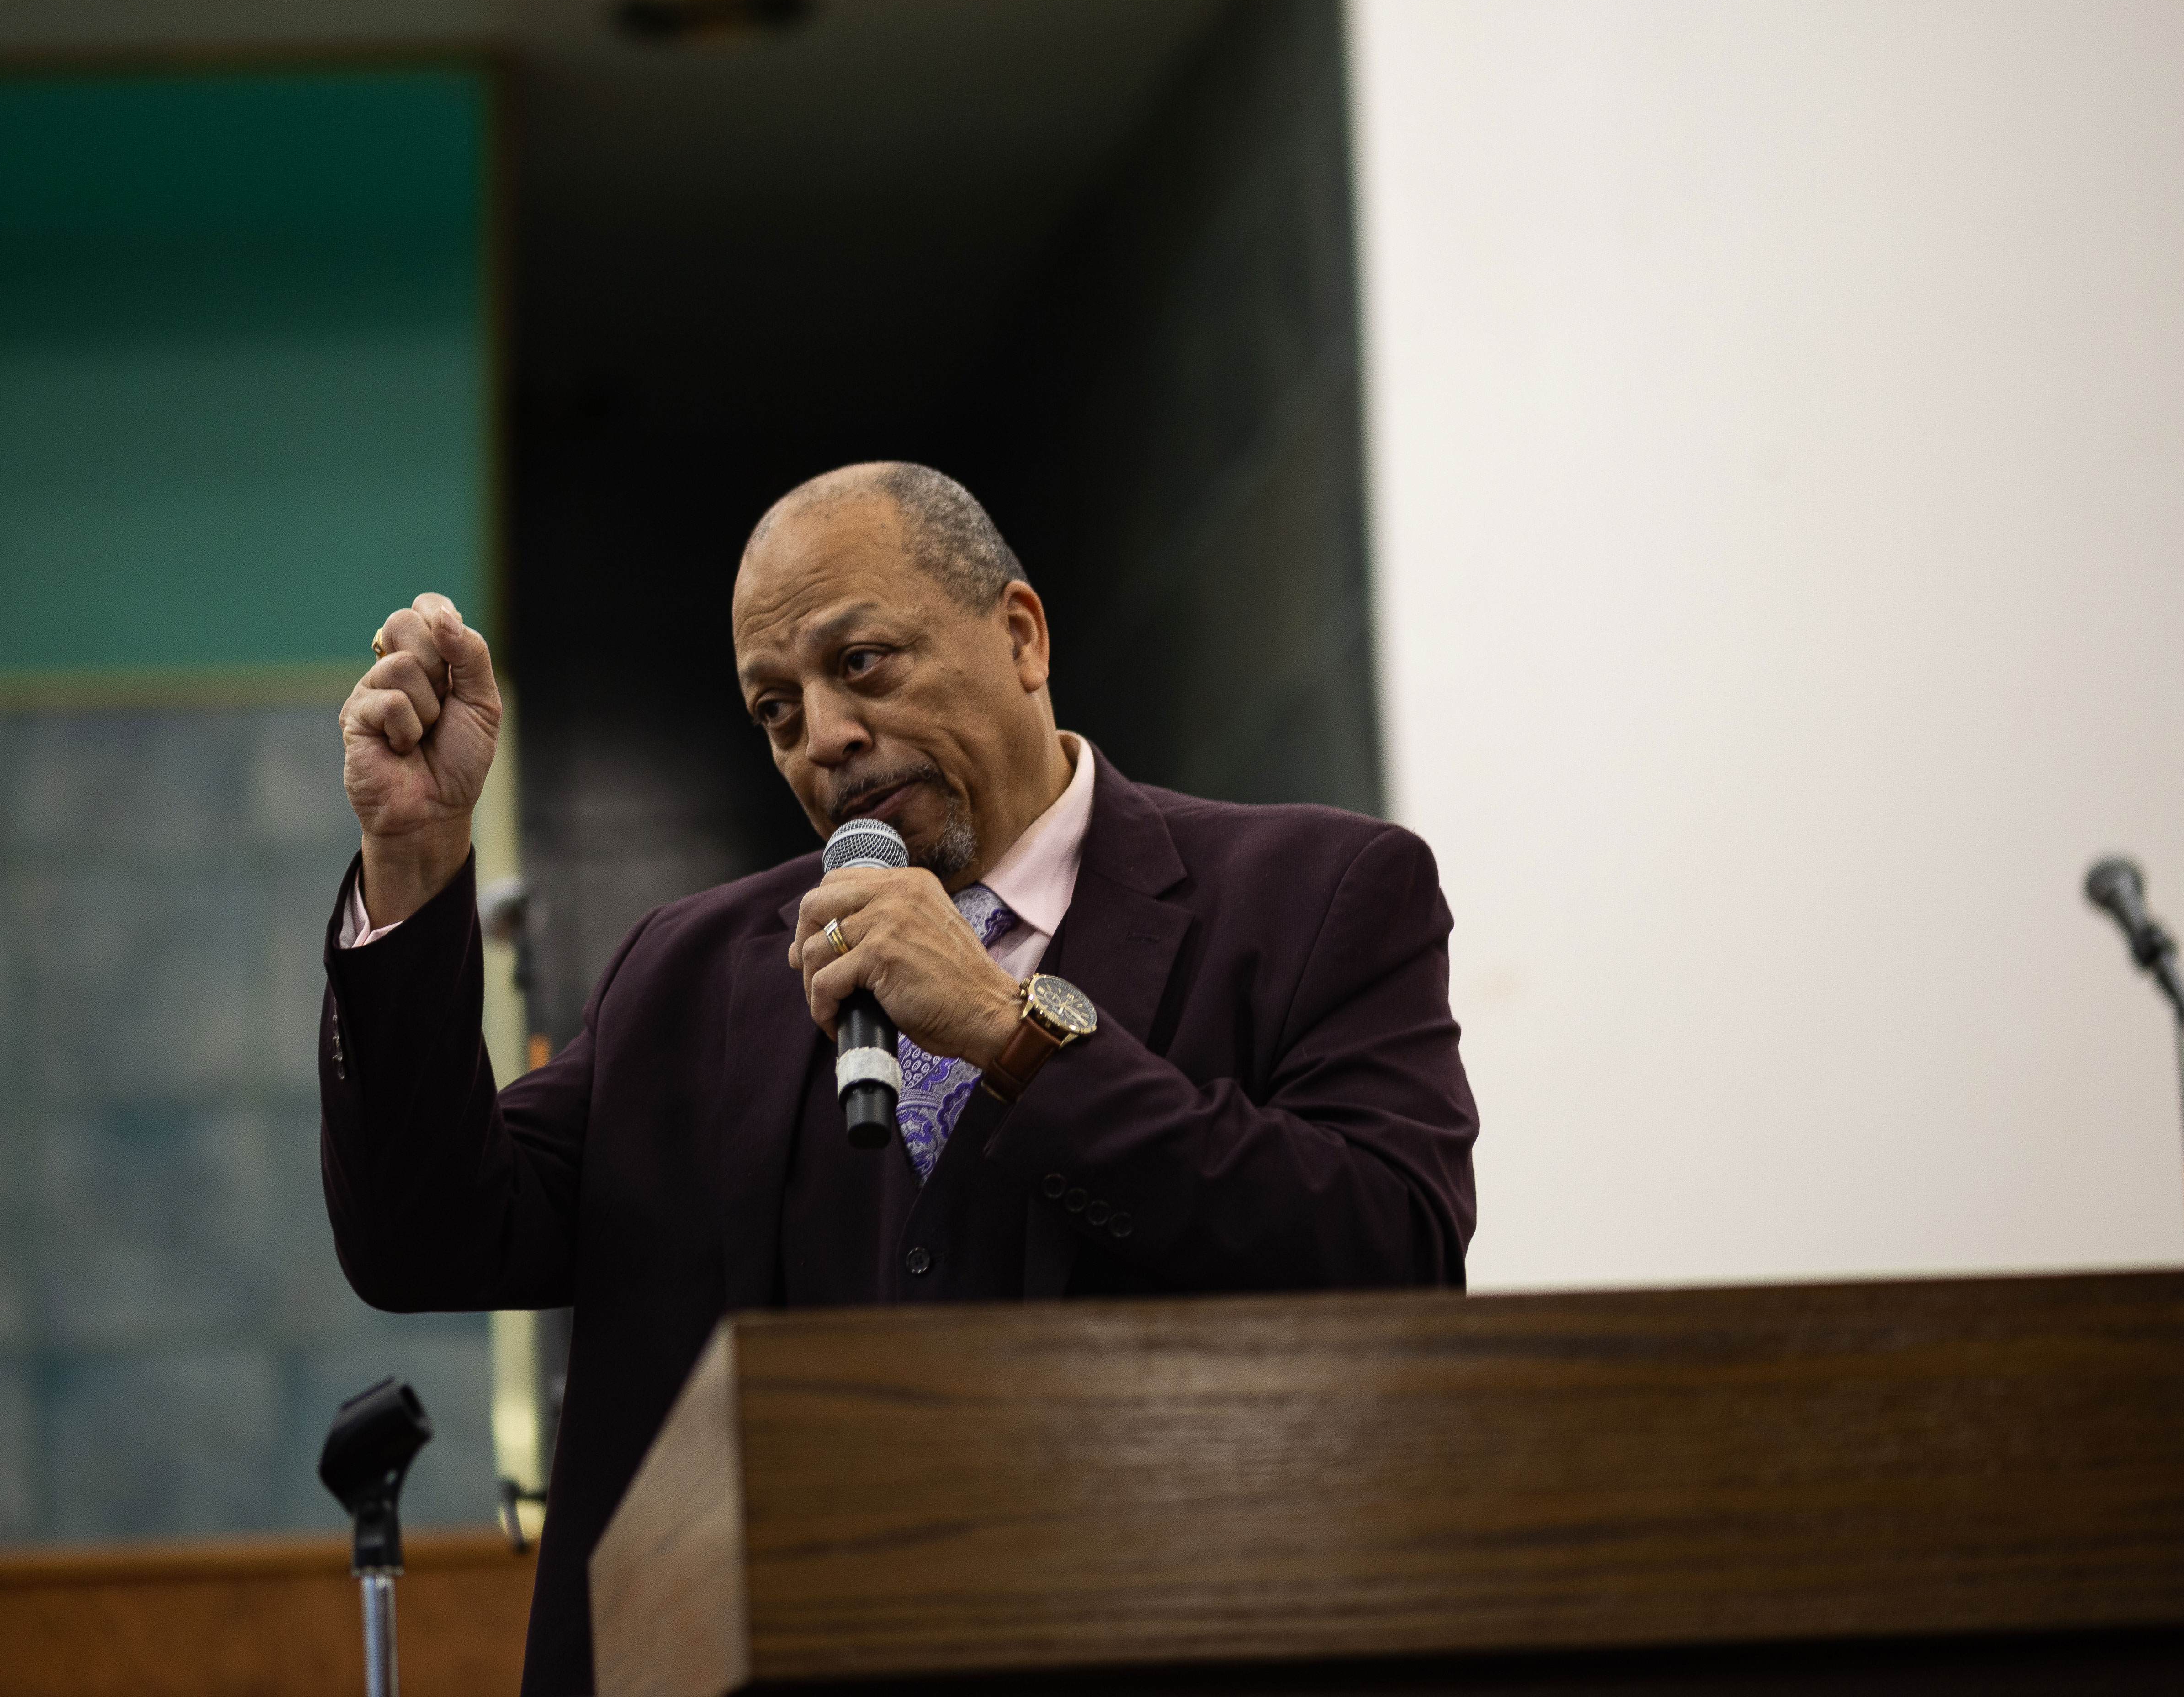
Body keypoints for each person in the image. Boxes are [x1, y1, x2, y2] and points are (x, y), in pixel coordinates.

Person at [322, 462, 1477, 1697]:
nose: (824, 737)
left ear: (1021, 638)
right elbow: (428, 1237)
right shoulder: (685, 975)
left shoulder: (1317, 897)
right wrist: (414, 856)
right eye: (776, 712)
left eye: (862, 663)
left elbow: (1391, 1249)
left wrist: (1007, 1030)